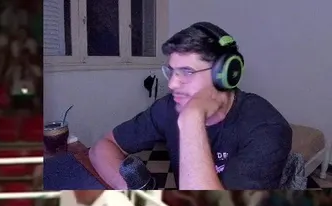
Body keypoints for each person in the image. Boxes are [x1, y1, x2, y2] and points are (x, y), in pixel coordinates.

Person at [87, 23, 291, 190]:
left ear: (226, 74)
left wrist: (192, 118)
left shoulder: (267, 128)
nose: (172, 84)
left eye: (187, 72)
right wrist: (129, 189)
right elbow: (103, 146)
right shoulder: (168, 107)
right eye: (171, 71)